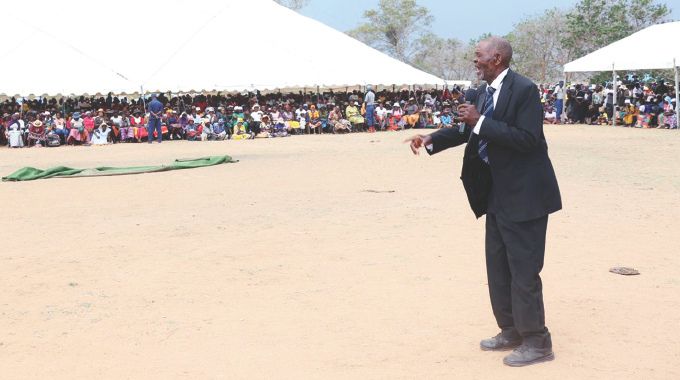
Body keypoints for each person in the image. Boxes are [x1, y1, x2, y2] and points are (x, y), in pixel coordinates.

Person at [405, 37, 561, 367]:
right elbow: (467, 131)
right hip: (495, 194)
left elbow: (528, 139)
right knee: (499, 267)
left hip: (526, 195)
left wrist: (480, 121)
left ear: (498, 58)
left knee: (524, 271)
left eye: (479, 55)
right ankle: (511, 330)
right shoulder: (480, 92)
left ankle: (537, 340)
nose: (474, 60)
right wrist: (431, 138)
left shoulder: (524, 90)